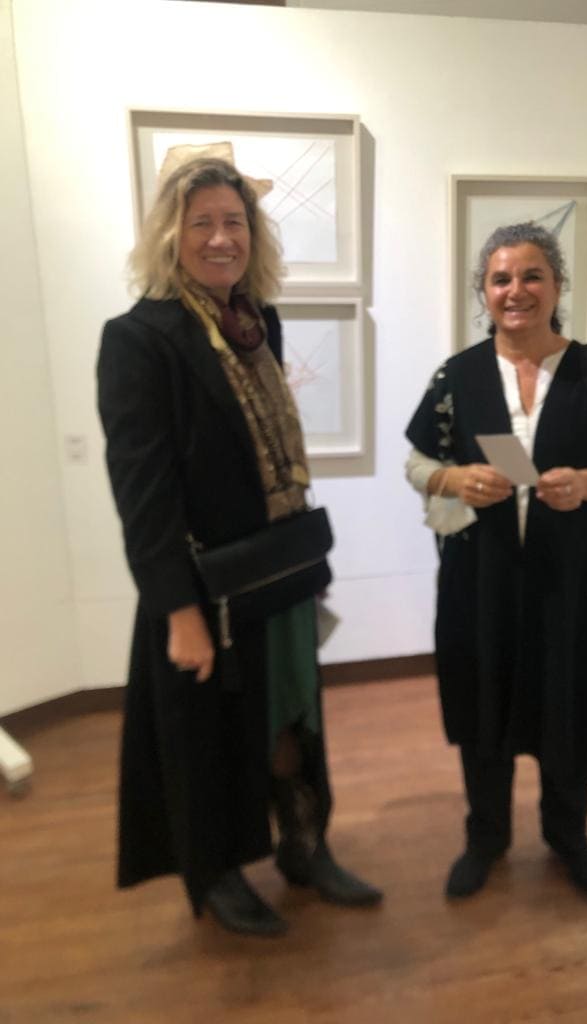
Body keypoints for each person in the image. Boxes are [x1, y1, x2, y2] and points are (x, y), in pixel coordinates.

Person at [97, 153, 381, 937]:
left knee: (292, 716)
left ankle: (304, 845)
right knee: (208, 737)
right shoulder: (139, 339)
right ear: (170, 235)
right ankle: (216, 871)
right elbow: (143, 495)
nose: (220, 238)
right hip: (202, 587)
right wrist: (177, 611)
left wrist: (303, 562)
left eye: (234, 222)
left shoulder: (256, 322)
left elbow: (272, 461)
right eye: (202, 224)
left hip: (277, 567)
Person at [405, 222, 587, 902]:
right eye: (501, 279)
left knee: (571, 704)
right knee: (484, 699)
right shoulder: (457, 377)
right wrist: (454, 479)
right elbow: (418, 463)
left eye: (532, 275)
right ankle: (485, 837)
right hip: (479, 579)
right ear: (484, 292)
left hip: (574, 580)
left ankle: (568, 835)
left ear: (557, 285)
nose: (516, 290)